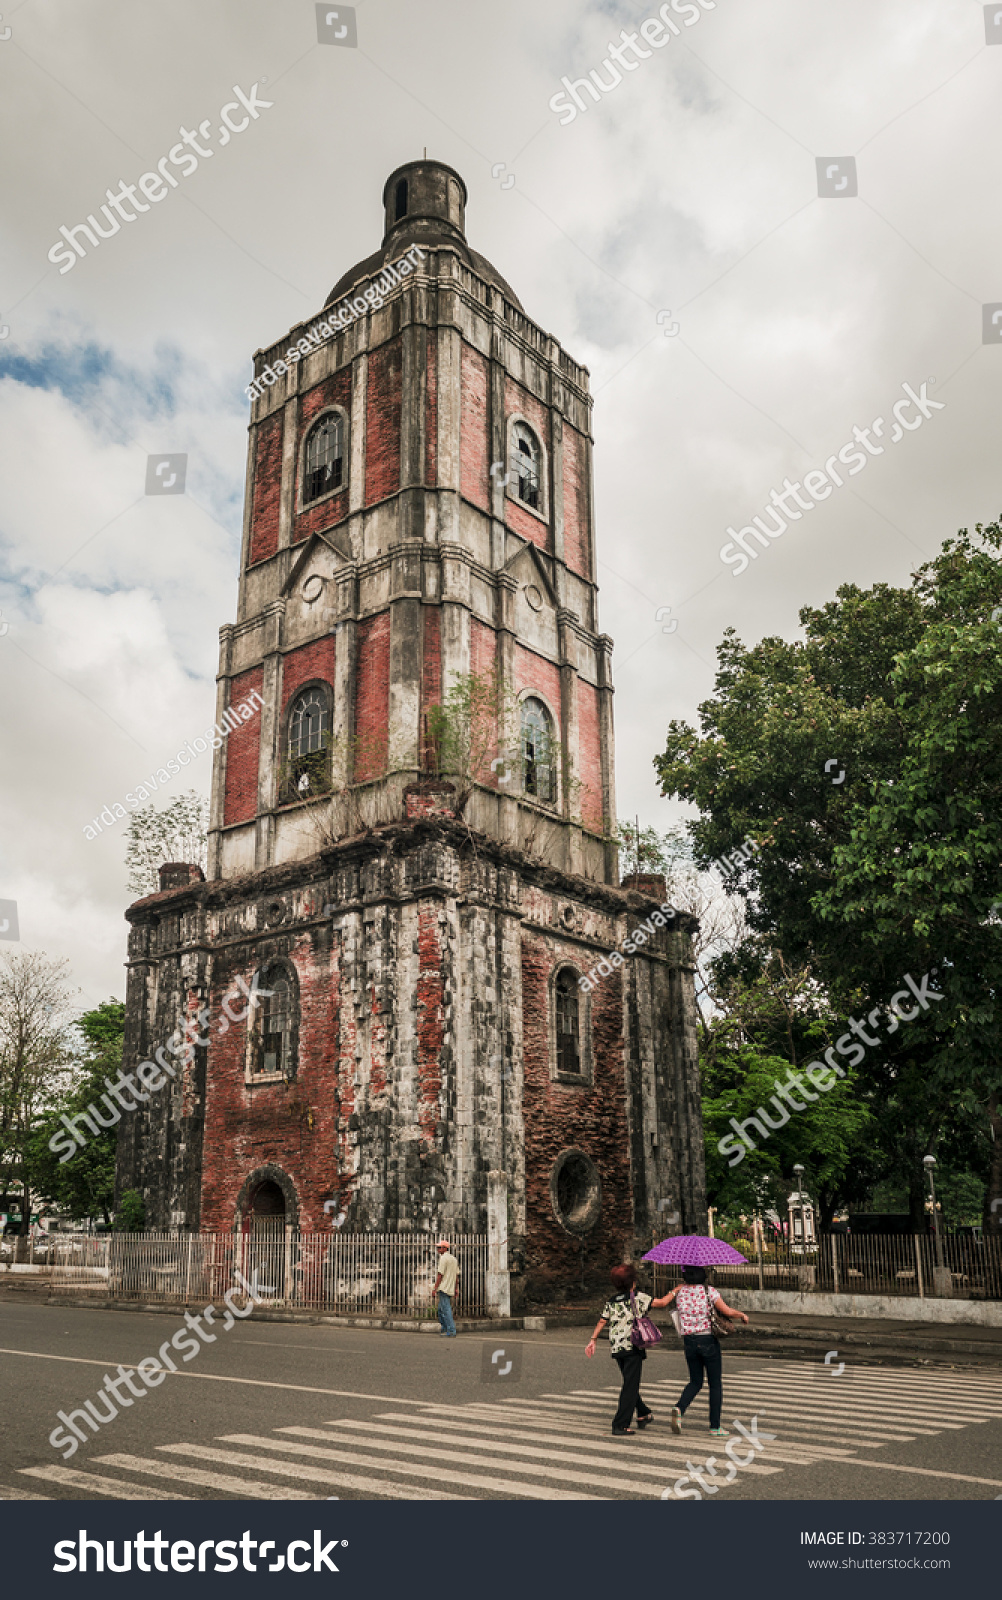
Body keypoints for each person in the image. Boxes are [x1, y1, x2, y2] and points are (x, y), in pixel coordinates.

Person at [585, 1263, 676, 1436]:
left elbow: (602, 1321)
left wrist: (593, 1339)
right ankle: (620, 1424)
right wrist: (675, 1290)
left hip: (617, 1347)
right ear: (632, 1282)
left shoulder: (611, 1301)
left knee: (630, 1383)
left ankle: (643, 1413)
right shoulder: (638, 1297)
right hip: (633, 1345)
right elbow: (662, 1303)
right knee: (630, 1386)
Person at [661, 1264, 749, 1437]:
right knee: (715, 1384)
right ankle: (715, 1426)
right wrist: (742, 1315)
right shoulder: (709, 1292)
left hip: (689, 1341)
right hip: (707, 1339)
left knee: (695, 1382)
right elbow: (727, 1311)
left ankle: (679, 1408)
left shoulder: (679, 1292)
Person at [432, 1238, 460, 1337]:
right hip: (450, 1287)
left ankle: (451, 1330)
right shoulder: (453, 1259)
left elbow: (440, 1274)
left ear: (445, 1248)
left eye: (439, 1247)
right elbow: (456, 1276)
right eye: (438, 1247)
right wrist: (456, 1288)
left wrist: (435, 1288)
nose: (438, 1249)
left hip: (443, 1287)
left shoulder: (443, 1258)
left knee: (446, 1309)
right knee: (441, 1309)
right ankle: (444, 1328)